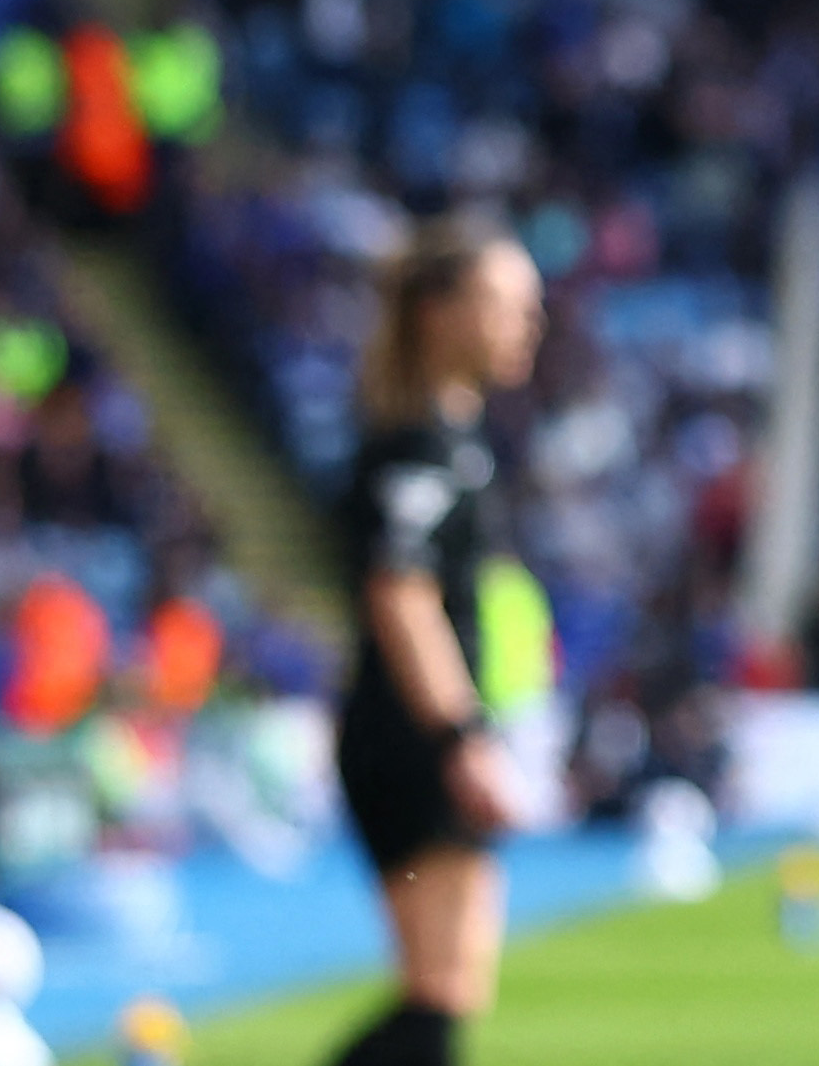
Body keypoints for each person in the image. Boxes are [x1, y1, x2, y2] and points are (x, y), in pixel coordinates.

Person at [317, 220, 545, 1066]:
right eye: (505, 303)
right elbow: (399, 594)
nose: (528, 323)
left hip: (409, 733)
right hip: (408, 737)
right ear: (437, 312)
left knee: (443, 997)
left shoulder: (452, 440)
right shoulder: (417, 445)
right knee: (437, 999)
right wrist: (462, 738)